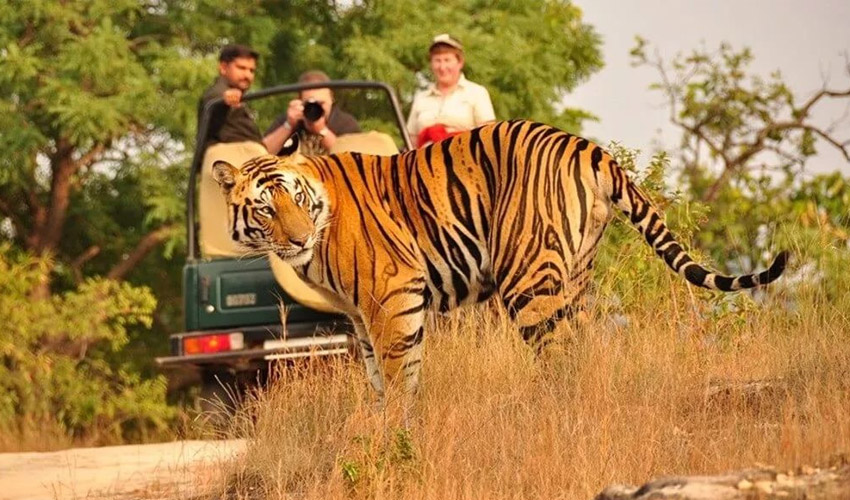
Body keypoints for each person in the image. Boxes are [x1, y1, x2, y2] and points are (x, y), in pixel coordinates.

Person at [197, 44, 268, 257]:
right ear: (223, 67)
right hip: (234, 170)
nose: (247, 74)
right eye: (241, 68)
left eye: (251, 70)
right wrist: (226, 98)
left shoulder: (241, 103)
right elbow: (213, 101)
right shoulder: (218, 95)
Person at [406, 33, 496, 147]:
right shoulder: (421, 98)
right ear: (431, 64)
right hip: (423, 161)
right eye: (437, 60)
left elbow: (488, 139)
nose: (442, 67)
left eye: (447, 60)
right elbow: (410, 142)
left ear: (460, 63)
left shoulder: (477, 93)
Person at [263, 70, 360, 156]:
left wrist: (322, 131)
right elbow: (262, 154)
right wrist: (288, 126)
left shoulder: (345, 123)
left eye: (321, 103)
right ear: (299, 101)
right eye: (309, 103)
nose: (315, 109)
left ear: (332, 99)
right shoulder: (289, 121)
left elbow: (354, 160)